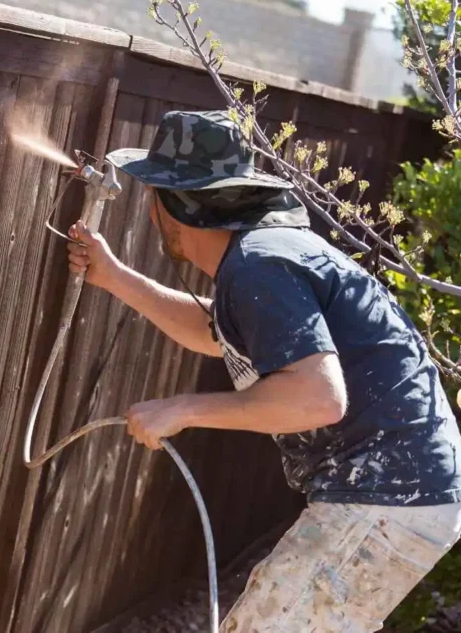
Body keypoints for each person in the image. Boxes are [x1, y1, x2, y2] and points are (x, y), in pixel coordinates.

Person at [66, 110, 461, 632]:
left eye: (154, 192)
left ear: (178, 202)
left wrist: (183, 409)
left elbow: (318, 399)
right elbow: (217, 333)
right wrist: (114, 276)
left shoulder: (259, 265)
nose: (149, 209)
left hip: (387, 494)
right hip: (404, 491)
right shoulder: (261, 257)